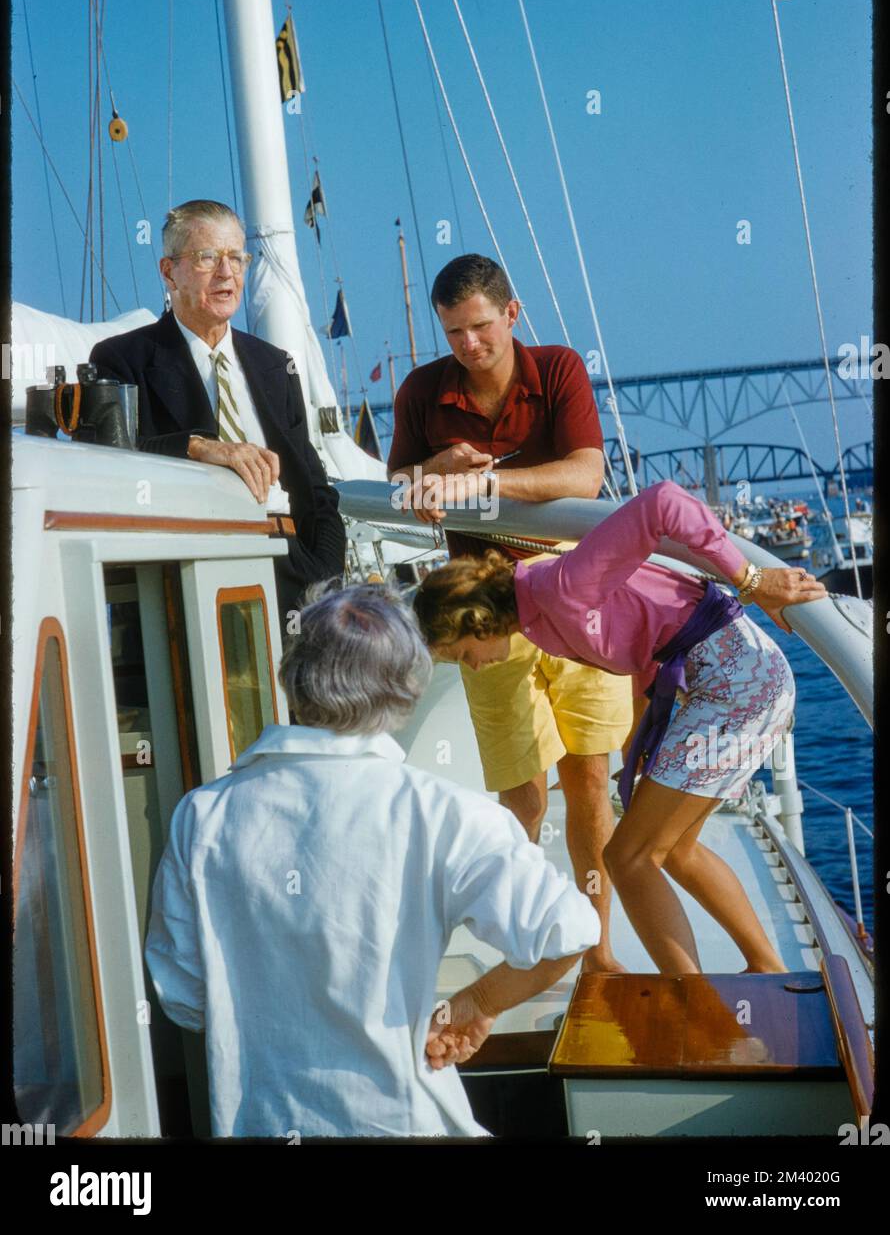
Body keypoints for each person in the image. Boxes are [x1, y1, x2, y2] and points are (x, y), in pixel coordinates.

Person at [144, 584, 600, 1139]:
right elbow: (569, 932)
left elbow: (185, 996)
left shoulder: (203, 815)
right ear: (405, 691)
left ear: (293, 676)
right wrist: (478, 1001)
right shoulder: (441, 812)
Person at [414, 480, 829, 976]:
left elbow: (664, 503)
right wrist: (641, 747)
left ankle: (692, 1007)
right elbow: (642, 642)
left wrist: (753, 579)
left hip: (739, 685)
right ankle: (767, 970)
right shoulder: (540, 615)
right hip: (731, 683)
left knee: (627, 858)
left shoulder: (559, 586)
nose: (474, 668)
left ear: (478, 622)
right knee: (675, 850)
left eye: (464, 655)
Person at [388, 253, 634, 973]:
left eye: (481, 327)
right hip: (484, 606)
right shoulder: (421, 393)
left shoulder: (556, 369)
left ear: (512, 314)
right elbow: (398, 483)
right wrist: (432, 475)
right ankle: (522, 944)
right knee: (519, 788)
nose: (469, 345)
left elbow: (586, 474)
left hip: (576, 588)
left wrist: (482, 485)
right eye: (454, 332)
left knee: (590, 776)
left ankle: (599, 951)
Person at [89, 199, 346, 634]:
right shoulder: (122, 359)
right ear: (169, 272)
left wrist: (322, 581)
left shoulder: (275, 365)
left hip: (292, 575)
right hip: (183, 580)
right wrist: (199, 447)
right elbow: (106, 459)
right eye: (208, 258)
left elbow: (318, 491)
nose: (226, 272)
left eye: (236, 257)